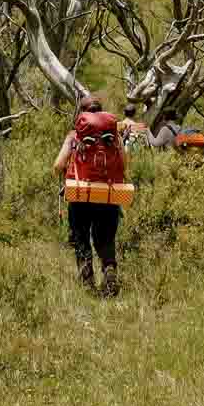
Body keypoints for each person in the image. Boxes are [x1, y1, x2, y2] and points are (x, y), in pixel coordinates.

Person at [54, 94, 127, 297]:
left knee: (81, 238)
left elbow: (58, 165)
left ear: (82, 113)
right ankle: (109, 272)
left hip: (80, 195)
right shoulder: (113, 137)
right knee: (106, 238)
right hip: (108, 195)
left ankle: (87, 282)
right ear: (102, 112)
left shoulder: (74, 135)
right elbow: (125, 164)